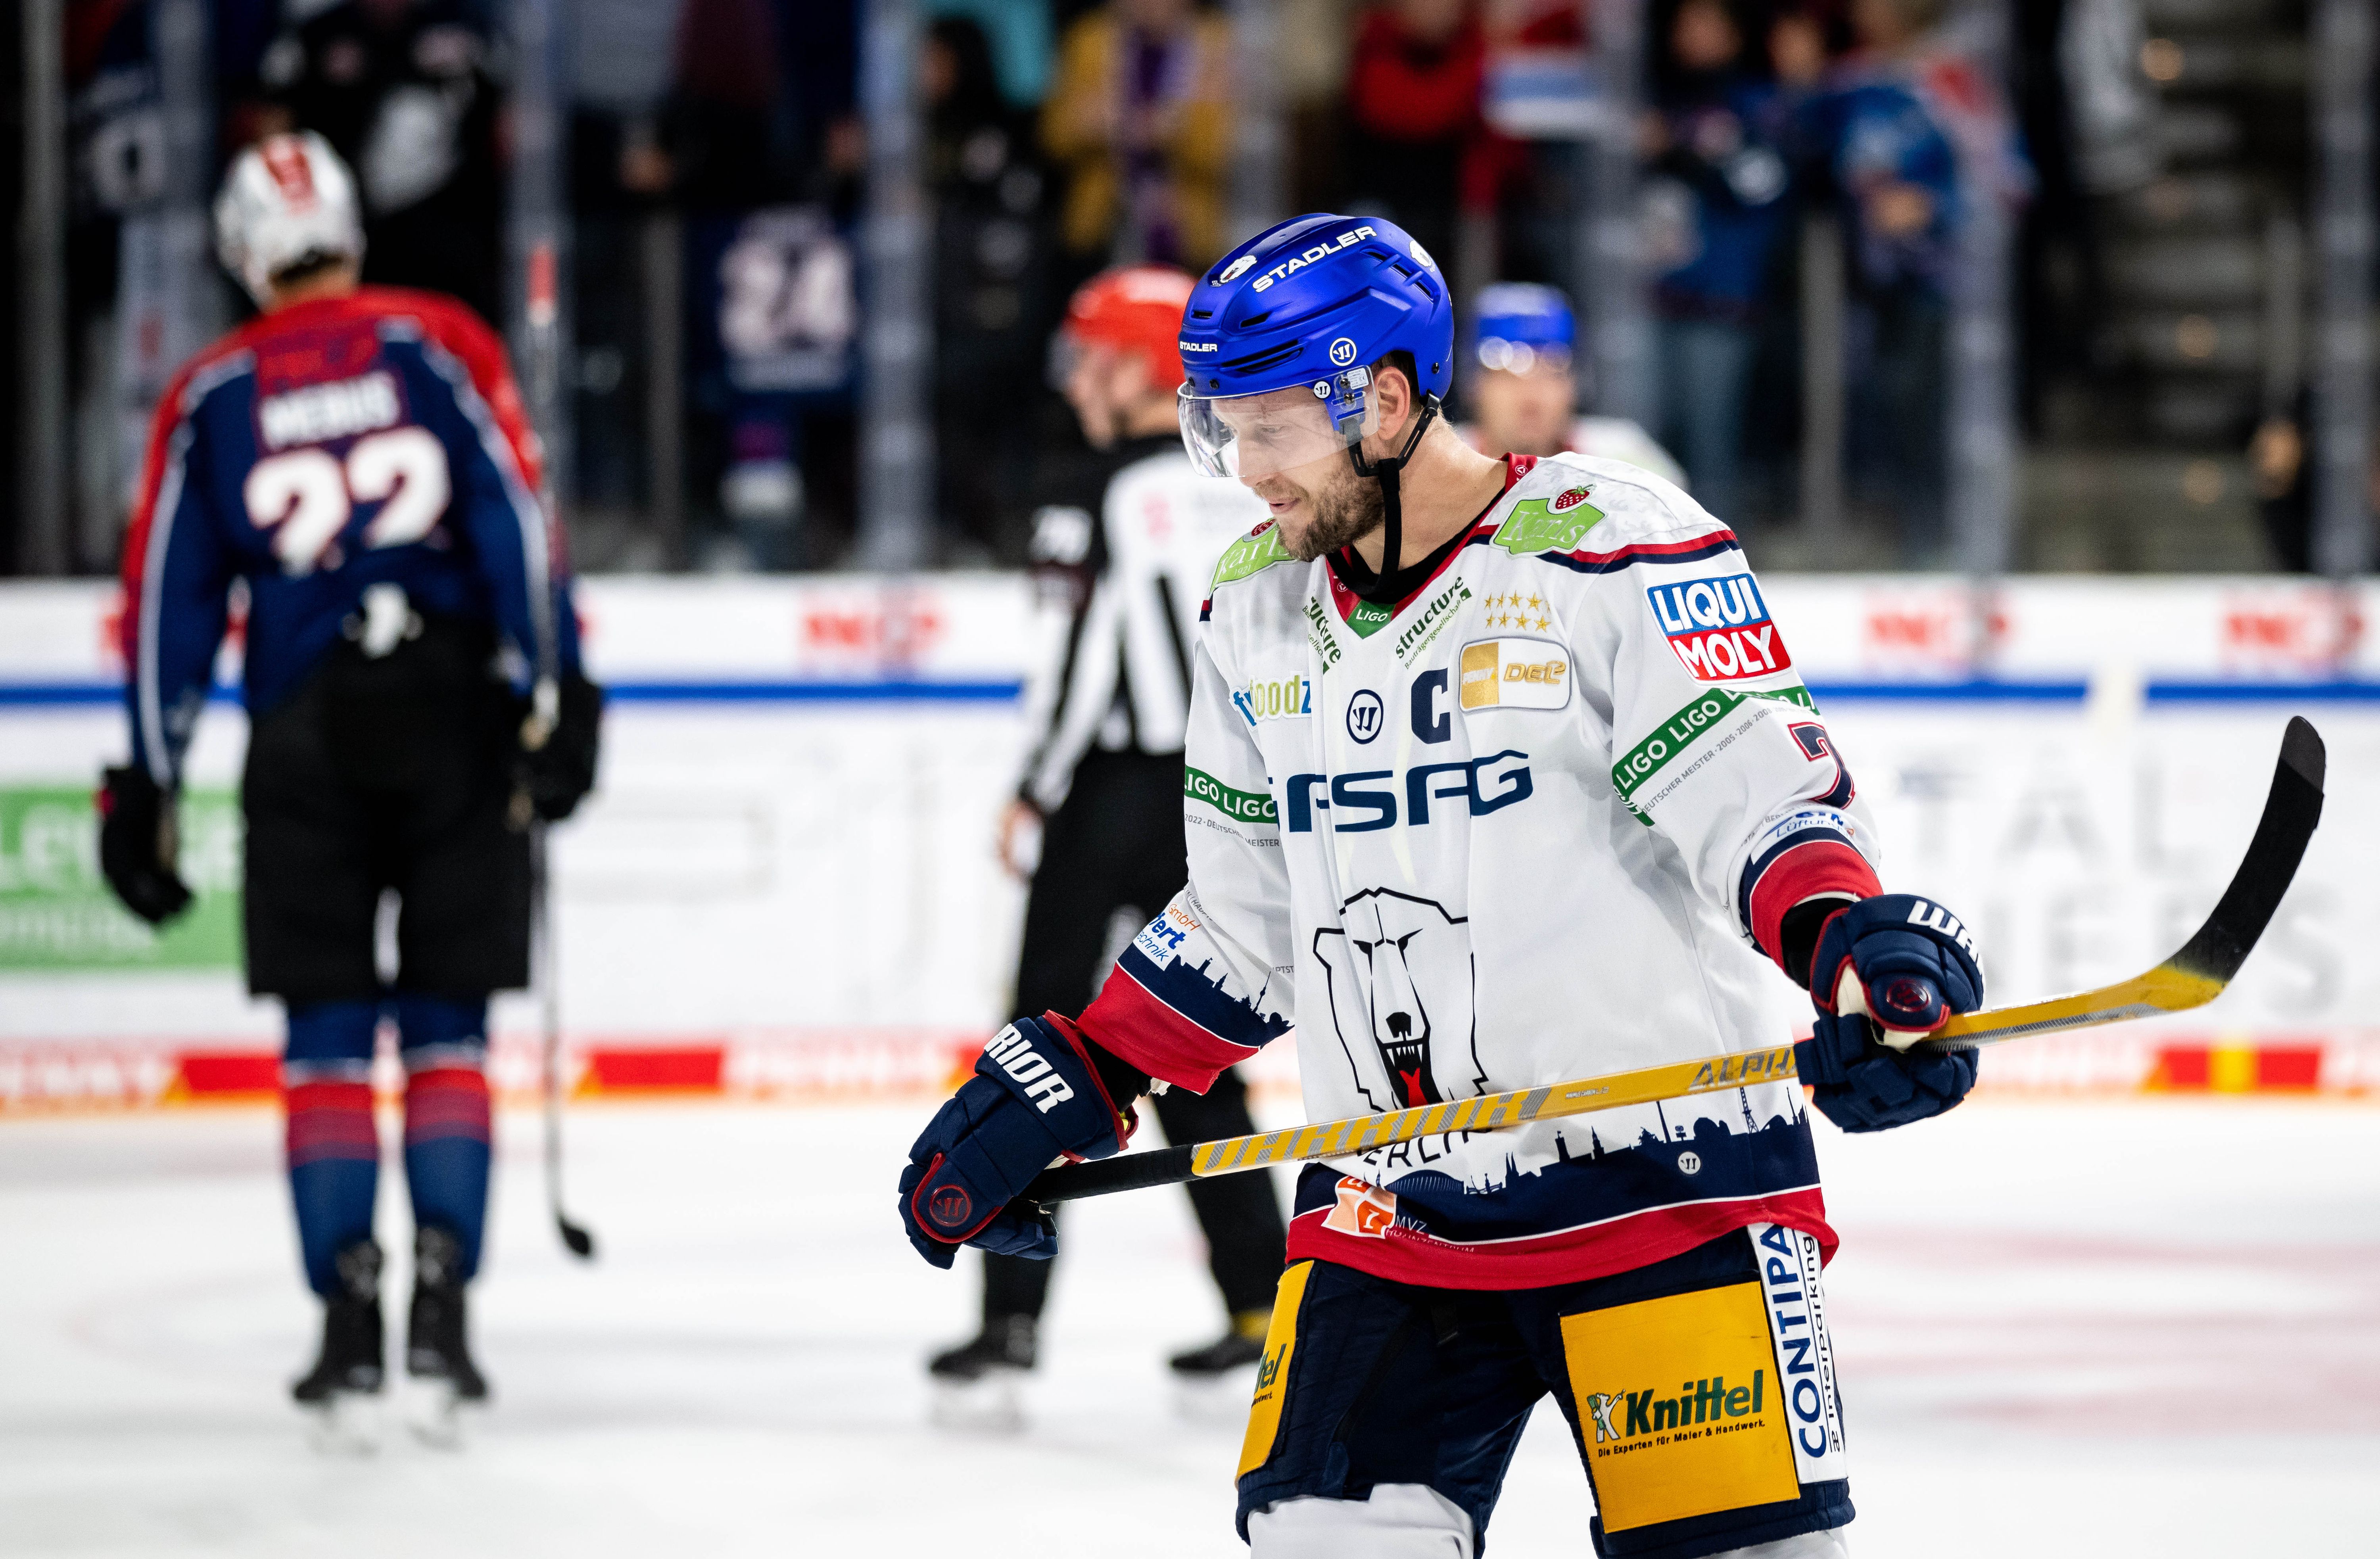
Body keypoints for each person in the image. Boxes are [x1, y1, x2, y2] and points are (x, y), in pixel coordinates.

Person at [897, 213, 1986, 1557]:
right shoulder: (1254, 603)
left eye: (1274, 432)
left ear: (1392, 398)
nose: (1245, 474)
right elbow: (1250, 920)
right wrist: (1086, 1071)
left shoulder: (1608, 544)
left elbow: (1756, 801)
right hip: (1388, 1209)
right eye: (1221, 431)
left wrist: (1851, 951)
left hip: (1669, 1193)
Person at [97, 133, 601, 1439]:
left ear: (239, 251)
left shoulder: (213, 390)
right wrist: (562, 688)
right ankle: (445, 1304)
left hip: (305, 729)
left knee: (325, 1035)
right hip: (452, 719)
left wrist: (145, 780)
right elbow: (510, 513)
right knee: (445, 1026)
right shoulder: (435, 341)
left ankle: (348, 1314)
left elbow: (167, 598)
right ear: (352, 228)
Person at [927, 265, 1289, 1407]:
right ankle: (1262, 1304)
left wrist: (1031, 786)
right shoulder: (1247, 479)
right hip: (1220, 792)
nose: (1076, 379)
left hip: (1107, 795)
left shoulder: (1093, 490)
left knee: (1040, 1046)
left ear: (1138, 368)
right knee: (1195, 1044)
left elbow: (1076, 667)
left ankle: (1011, 1322)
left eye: (1091, 356)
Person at [1643, 0, 1796, 520]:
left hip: (1722, 301)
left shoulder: (1757, 103)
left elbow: (1764, 186)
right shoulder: (1651, 98)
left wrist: (1687, 146)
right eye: (1686, 23)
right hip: (1652, 295)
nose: (1694, 36)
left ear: (1733, 36)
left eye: (1708, 24)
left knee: (1713, 447)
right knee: (1644, 441)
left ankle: (1720, 559)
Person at [1040, 0, 1234, 281]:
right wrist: (1087, 126)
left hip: (1187, 235)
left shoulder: (1213, 44)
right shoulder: (1091, 41)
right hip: (1103, 232)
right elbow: (1053, 138)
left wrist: (1161, 130)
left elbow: (1220, 150)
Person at [1457, 282, 1686, 487]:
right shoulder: (1437, 466)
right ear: (1473, 383)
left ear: (1577, 383)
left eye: (1553, 369)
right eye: (1506, 372)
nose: (1530, 392)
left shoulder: (1628, 465)